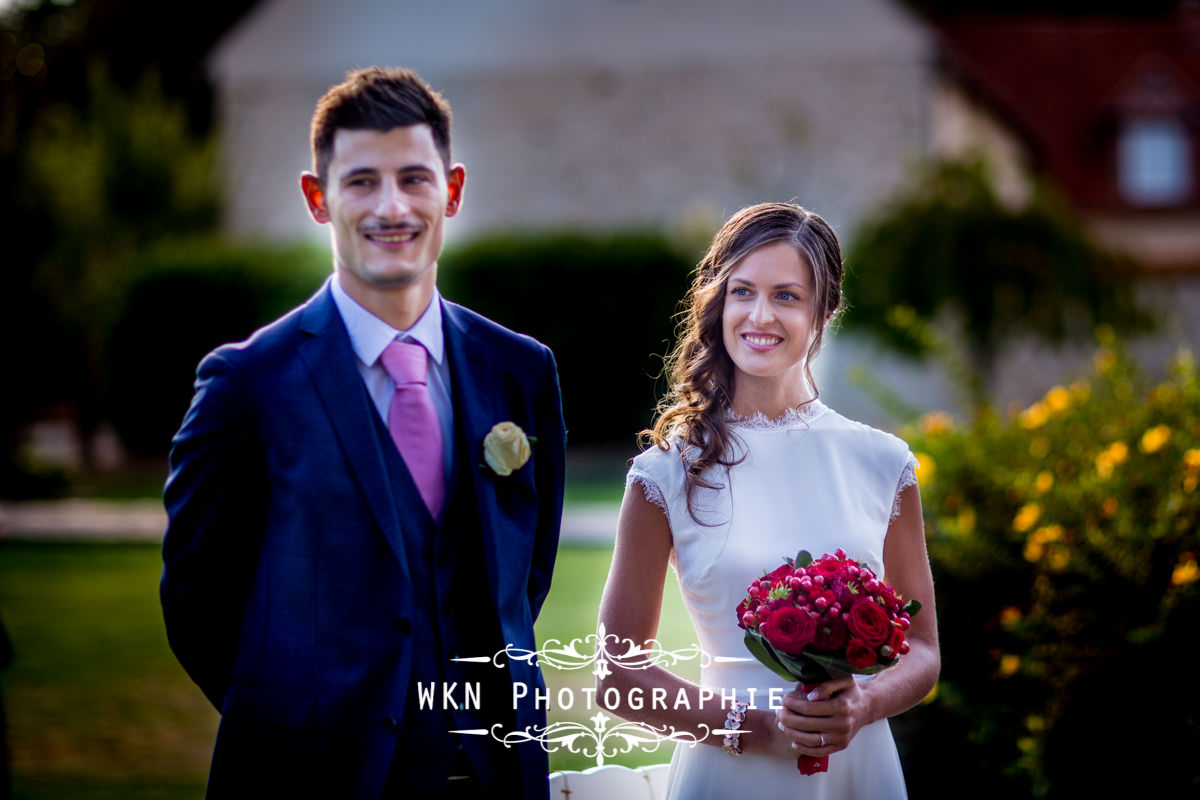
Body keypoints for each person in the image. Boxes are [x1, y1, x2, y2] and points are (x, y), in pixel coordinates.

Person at [161, 66, 566, 799]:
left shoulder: (520, 372)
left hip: (493, 774)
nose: (392, 207)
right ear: (318, 198)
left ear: (453, 190)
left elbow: (522, 578)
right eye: (361, 182)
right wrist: (299, 716)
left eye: (414, 178)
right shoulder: (247, 384)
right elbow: (197, 605)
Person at [597, 202, 939, 798]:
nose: (760, 315)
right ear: (718, 303)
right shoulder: (665, 474)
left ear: (824, 312)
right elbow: (617, 677)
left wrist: (860, 706)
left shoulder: (884, 463)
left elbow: (924, 650)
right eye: (742, 292)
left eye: (787, 296)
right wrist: (756, 731)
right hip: (727, 772)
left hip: (857, 769)